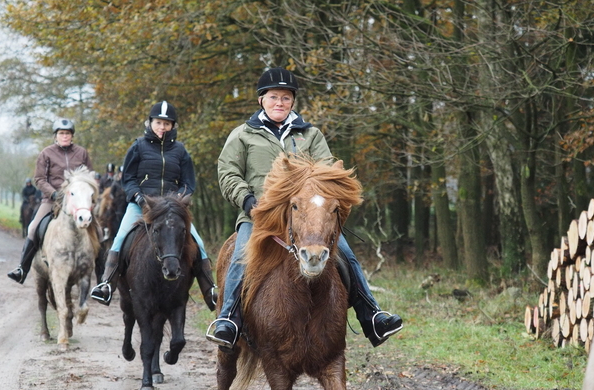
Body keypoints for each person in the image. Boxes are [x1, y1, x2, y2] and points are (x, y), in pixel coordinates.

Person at [206, 67, 403, 352]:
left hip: (307, 219)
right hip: (260, 217)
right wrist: (248, 201)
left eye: (286, 98)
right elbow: (228, 173)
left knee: (345, 254)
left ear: (293, 102)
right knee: (240, 258)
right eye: (274, 97)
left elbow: (326, 173)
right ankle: (228, 320)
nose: (280, 103)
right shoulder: (243, 135)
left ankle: (371, 314)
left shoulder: (310, 134)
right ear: (261, 99)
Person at [90, 101, 217, 310]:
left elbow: (188, 183)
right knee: (120, 238)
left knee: (198, 243)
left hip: (172, 209)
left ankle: (209, 291)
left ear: (172, 126)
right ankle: (106, 285)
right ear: (150, 123)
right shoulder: (138, 146)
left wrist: (178, 200)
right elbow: (128, 179)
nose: (162, 127)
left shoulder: (181, 150)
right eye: (158, 123)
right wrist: (138, 196)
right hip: (142, 205)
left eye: (167, 124)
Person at [8, 118, 93, 283]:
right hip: (51, 200)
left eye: (67, 133)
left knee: (97, 230)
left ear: (72, 135)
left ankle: (104, 279)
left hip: (77, 202)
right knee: (33, 228)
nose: (65, 136)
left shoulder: (81, 152)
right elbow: (39, 179)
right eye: (61, 133)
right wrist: (54, 194)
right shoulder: (46, 153)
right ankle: (22, 269)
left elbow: (88, 176)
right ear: (56, 135)